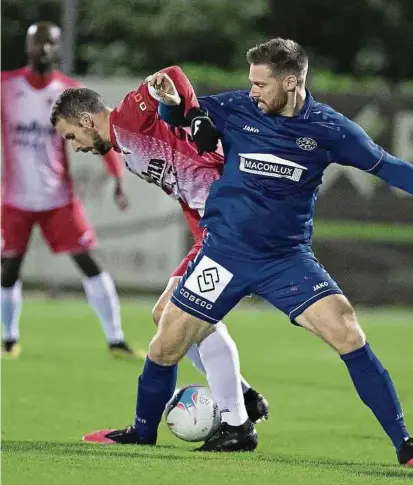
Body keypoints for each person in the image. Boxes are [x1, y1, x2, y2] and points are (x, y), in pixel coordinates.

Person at [63, 38, 413, 465]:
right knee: (164, 346)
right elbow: (183, 112)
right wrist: (172, 104)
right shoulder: (236, 108)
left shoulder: (329, 129)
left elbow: (390, 168)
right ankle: (144, 432)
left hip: (285, 259)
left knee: (347, 331)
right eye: (251, 82)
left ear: (292, 82)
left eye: (261, 83)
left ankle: (407, 446)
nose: (252, 91)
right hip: (223, 253)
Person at [49, 66, 268, 446]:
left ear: (86, 119)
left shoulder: (128, 118)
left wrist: (196, 115)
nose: (76, 146)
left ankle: (237, 422)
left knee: (181, 324)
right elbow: (184, 181)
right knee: (166, 316)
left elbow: (170, 75)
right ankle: (244, 398)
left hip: (231, 226)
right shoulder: (122, 143)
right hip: (211, 229)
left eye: (72, 136)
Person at [0, 22, 144, 359]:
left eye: (49, 44)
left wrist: (118, 179)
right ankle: (9, 339)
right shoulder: (6, 87)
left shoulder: (68, 92)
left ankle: (116, 339)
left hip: (58, 199)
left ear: (59, 48)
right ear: (28, 47)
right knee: (8, 268)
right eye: (37, 43)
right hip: (15, 199)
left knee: (89, 261)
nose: (43, 50)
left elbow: (98, 136)